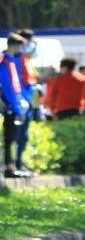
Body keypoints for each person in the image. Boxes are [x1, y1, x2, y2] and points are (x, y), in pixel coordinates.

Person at [1, 34, 31, 179]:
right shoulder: (4, 63)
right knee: (9, 138)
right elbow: (8, 89)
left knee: (13, 137)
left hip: (14, 105)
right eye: (21, 47)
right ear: (13, 46)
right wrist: (17, 109)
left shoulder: (11, 63)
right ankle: (9, 167)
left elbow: (16, 87)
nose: (22, 50)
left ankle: (12, 166)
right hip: (9, 106)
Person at [13, 29, 39, 176]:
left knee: (24, 135)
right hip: (19, 103)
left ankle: (19, 163)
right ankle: (15, 164)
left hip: (27, 101)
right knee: (18, 135)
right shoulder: (16, 59)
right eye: (30, 42)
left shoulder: (26, 59)